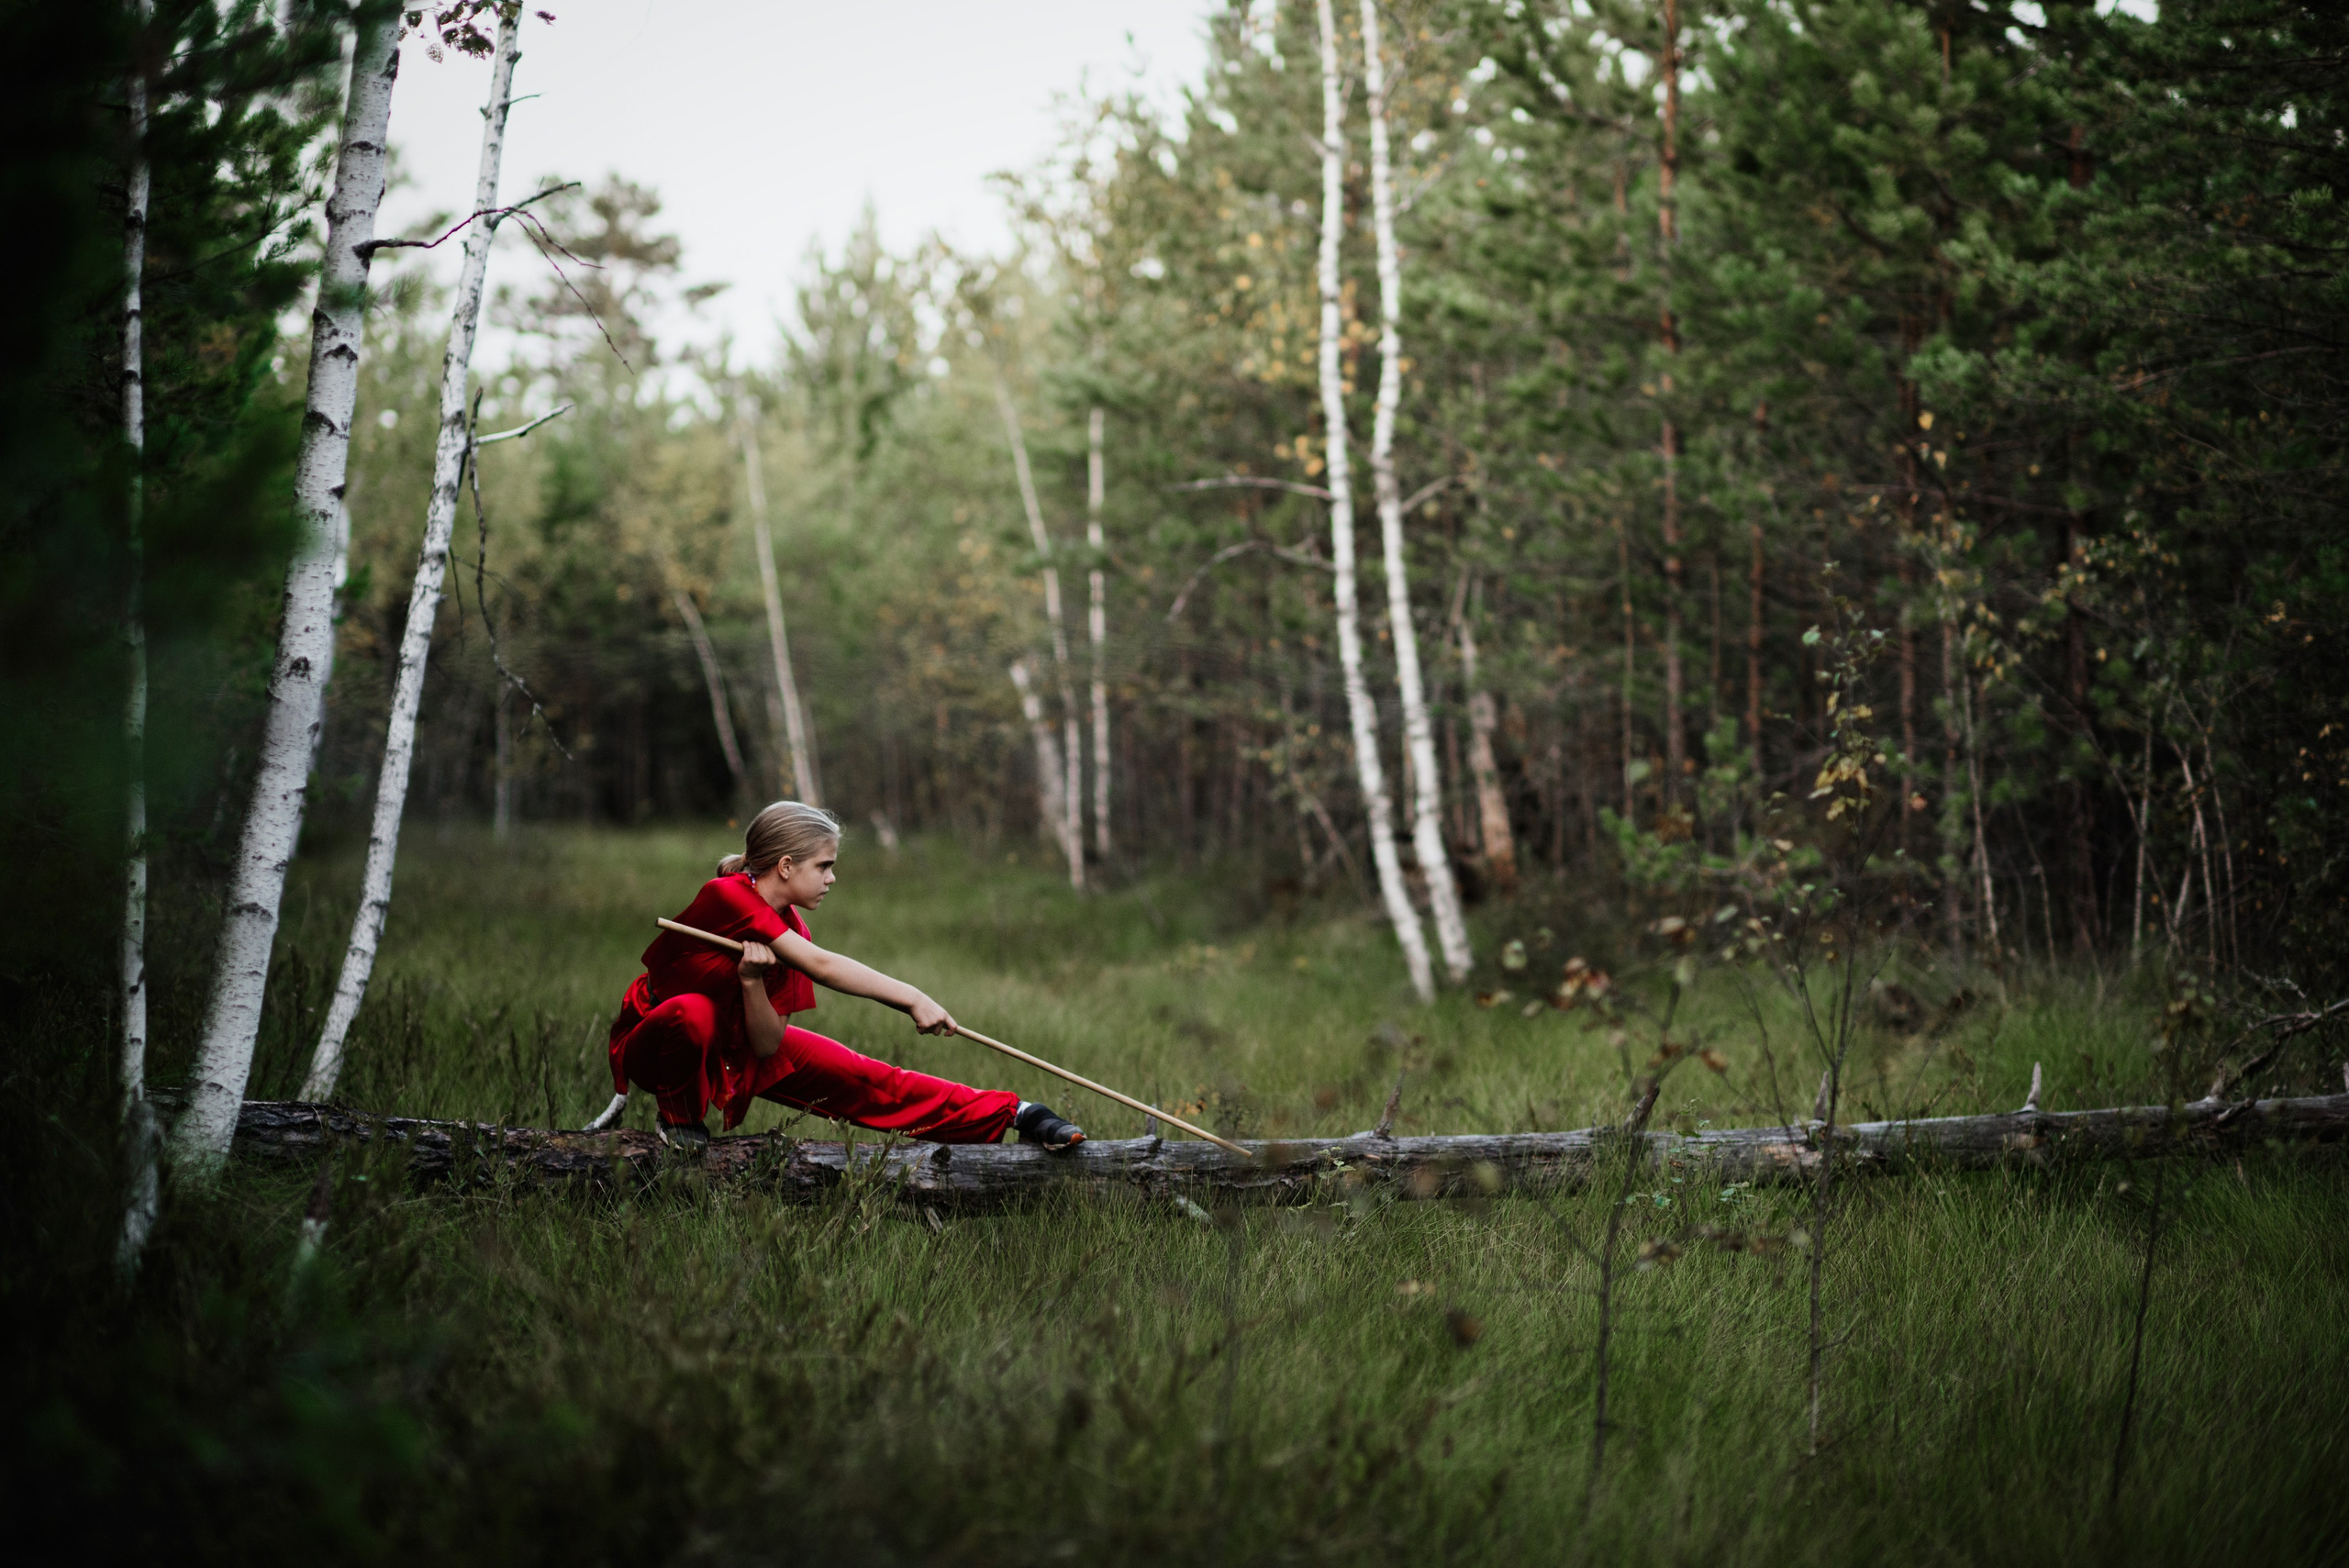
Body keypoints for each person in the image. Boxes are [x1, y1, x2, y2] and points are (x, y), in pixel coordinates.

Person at [606, 801, 1085, 1153]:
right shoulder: (726, 895)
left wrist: (753, 983)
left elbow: (769, 1045)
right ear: (787, 865)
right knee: (695, 1012)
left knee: (868, 1079)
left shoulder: (792, 930)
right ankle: (680, 1121)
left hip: (736, 1043)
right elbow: (825, 967)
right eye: (825, 866)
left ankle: (1016, 1113)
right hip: (659, 1045)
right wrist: (911, 997)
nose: (831, 879)